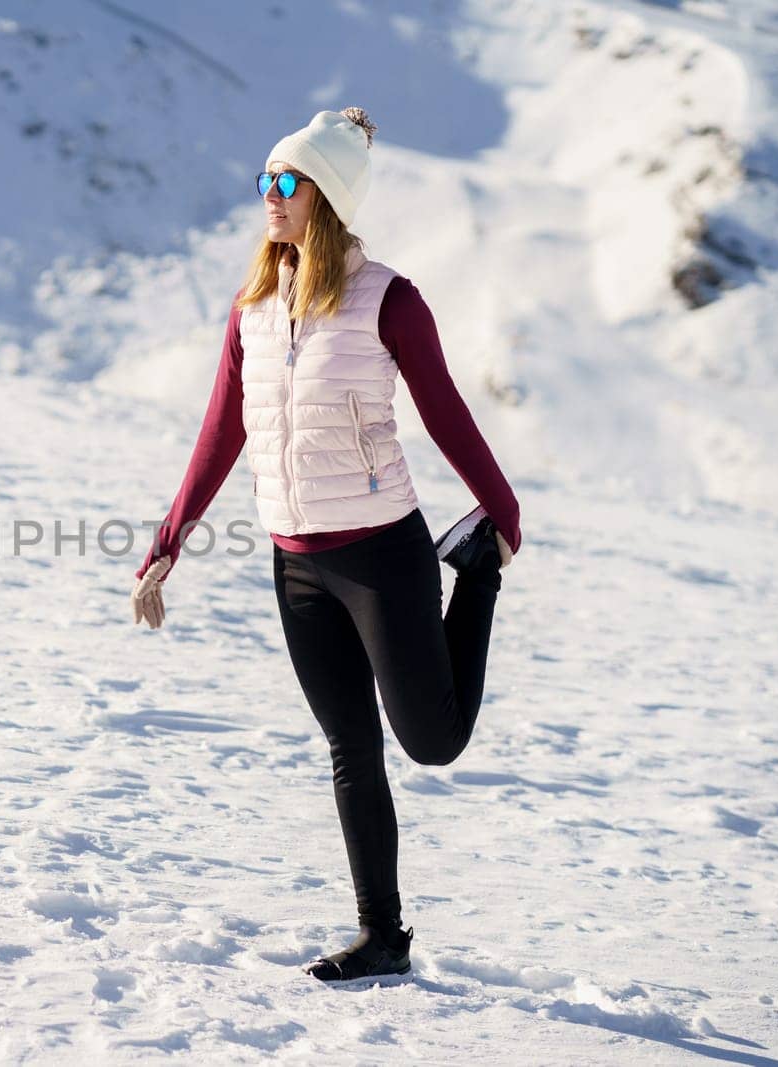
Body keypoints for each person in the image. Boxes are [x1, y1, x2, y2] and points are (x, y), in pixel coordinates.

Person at [129, 108, 522, 983]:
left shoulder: (390, 299)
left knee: (432, 742)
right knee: (351, 747)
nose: (268, 196)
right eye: (265, 179)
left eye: (286, 182)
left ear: (327, 197)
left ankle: (477, 577)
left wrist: (500, 510)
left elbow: (445, 410)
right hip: (298, 563)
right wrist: (170, 540)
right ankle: (382, 936)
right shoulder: (254, 308)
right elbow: (221, 428)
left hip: (384, 556)